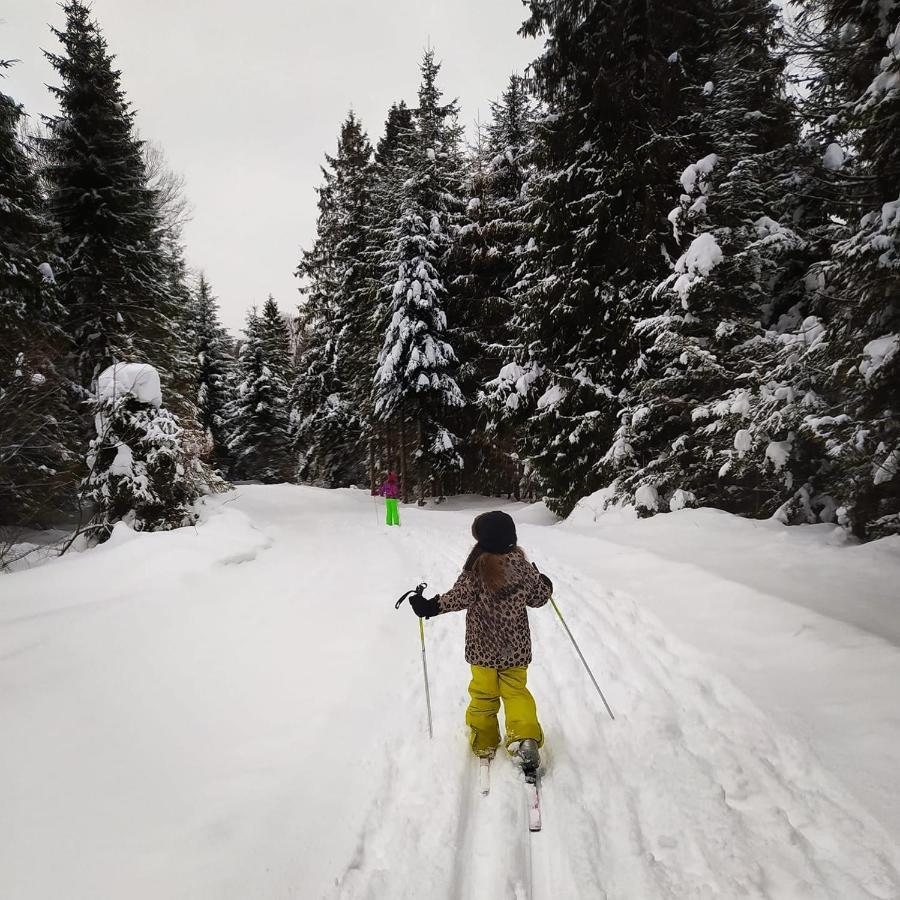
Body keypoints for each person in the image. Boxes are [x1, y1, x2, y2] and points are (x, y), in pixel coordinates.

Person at [407, 510, 552, 770]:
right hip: (515, 651)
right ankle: (525, 738)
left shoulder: (477, 569)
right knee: (516, 692)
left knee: (484, 695)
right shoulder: (521, 566)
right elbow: (539, 598)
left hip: (482, 651)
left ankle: (484, 739)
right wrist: (545, 583)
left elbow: (456, 598)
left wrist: (429, 606)